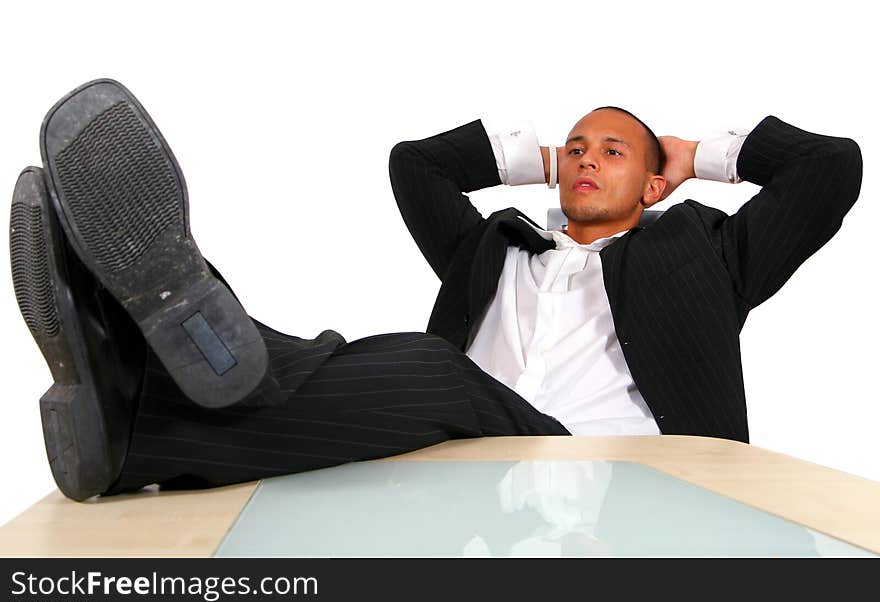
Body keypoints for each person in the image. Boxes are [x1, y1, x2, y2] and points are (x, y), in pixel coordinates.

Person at [9, 79, 861, 503]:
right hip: (449, 456)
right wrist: (537, 163)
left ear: (650, 184)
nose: (586, 158)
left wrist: (694, 150)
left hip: (611, 466)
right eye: (574, 148)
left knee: (431, 370)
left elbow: (832, 168)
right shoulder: (494, 247)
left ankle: (170, 335)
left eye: (612, 150)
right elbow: (414, 166)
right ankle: (131, 411)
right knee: (333, 369)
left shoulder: (705, 248)